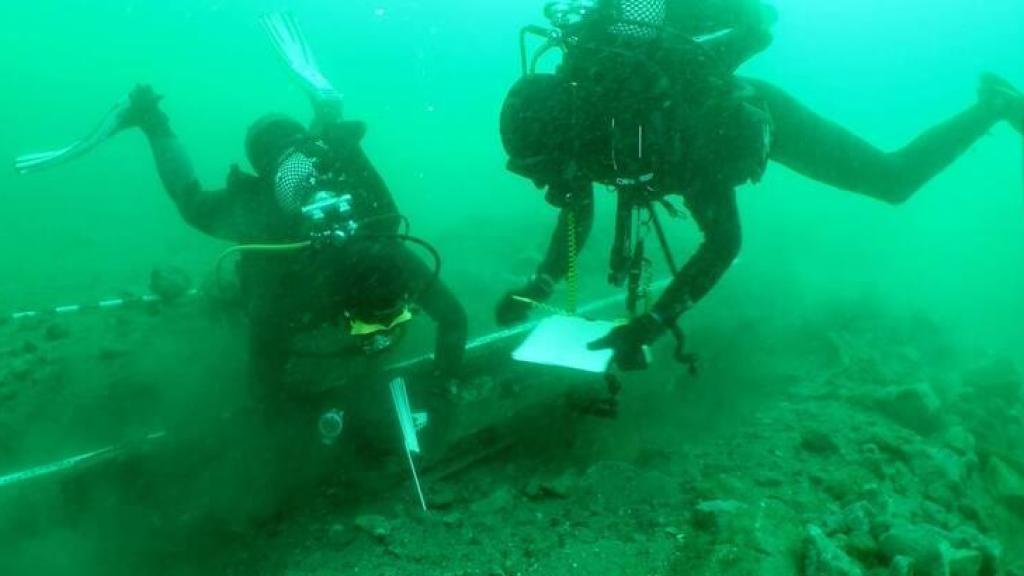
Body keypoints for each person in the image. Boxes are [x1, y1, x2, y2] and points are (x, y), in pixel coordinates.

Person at [495, 0, 1024, 370]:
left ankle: (993, 105)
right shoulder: (588, 132)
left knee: (892, 180)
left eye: (546, 167)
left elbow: (724, 242)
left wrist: (654, 322)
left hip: (750, 117)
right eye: (537, 171)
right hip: (689, 111)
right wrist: (539, 286)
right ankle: (993, 104)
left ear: (567, 135)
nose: (550, 182)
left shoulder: (670, 131)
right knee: (892, 181)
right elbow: (577, 207)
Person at [117, 85, 468, 411]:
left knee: (193, 205)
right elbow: (263, 388)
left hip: (308, 176)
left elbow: (454, 318)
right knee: (225, 295)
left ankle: (154, 122)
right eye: (371, 324)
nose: (379, 335)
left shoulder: (386, 246)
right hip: (285, 252)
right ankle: (153, 122)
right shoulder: (281, 286)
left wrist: (446, 379)